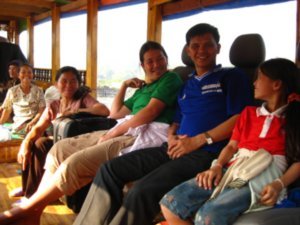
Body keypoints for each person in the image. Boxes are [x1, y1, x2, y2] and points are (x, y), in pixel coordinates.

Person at [72, 23, 254, 225]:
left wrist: (198, 141)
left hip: (207, 153)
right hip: (172, 147)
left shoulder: (232, 77)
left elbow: (241, 118)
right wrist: (171, 137)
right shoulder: (187, 84)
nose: (201, 51)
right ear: (187, 50)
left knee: (142, 190)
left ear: (218, 48)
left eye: (208, 45)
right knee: (109, 169)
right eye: (195, 46)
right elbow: (176, 121)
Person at [0, 41, 183, 225]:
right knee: (59, 149)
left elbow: (149, 112)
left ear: (167, 59)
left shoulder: (171, 78)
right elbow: (115, 113)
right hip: (125, 127)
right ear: (142, 65)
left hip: (145, 133)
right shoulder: (143, 89)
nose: (156, 64)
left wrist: (112, 133)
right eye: (149, 61)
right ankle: (35, 209)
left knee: (74, 163)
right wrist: (124, 86)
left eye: (160, 59)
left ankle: (28, 210)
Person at [160, 58, 300, 225]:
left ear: (276, 85)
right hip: (234, 168)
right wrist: (217, 166)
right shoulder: (248, 113)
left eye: (260, 78)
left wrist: (279, 184)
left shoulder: (294, 119)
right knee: (171, 202)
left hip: (263, 174)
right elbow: (232, 146)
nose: (254, 83)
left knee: (208, 216)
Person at [8, 65, 109, 200]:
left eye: (73, 81)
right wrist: (25, 143)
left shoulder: (83, 99)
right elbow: (38, 128)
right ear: (56, 84)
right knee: (32, 142)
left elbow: (104, 110)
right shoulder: (54, 105)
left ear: (78, 84)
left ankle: (32, 197)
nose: (69, 85)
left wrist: (76, 111)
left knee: (41, 144)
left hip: (76, 146)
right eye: (64, 81)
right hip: (58, 143)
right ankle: (28, 187)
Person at [0, 63, 45, 133]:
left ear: (33, 75)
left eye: (29, 72)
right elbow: (7, 110)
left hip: (34, 123)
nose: (26, 75)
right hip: (19, 124)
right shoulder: (12, 91)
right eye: (23, 72)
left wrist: (33, 122)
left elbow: (41, 110)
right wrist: (0, 124)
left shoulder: (38, 90)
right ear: (18, 75)